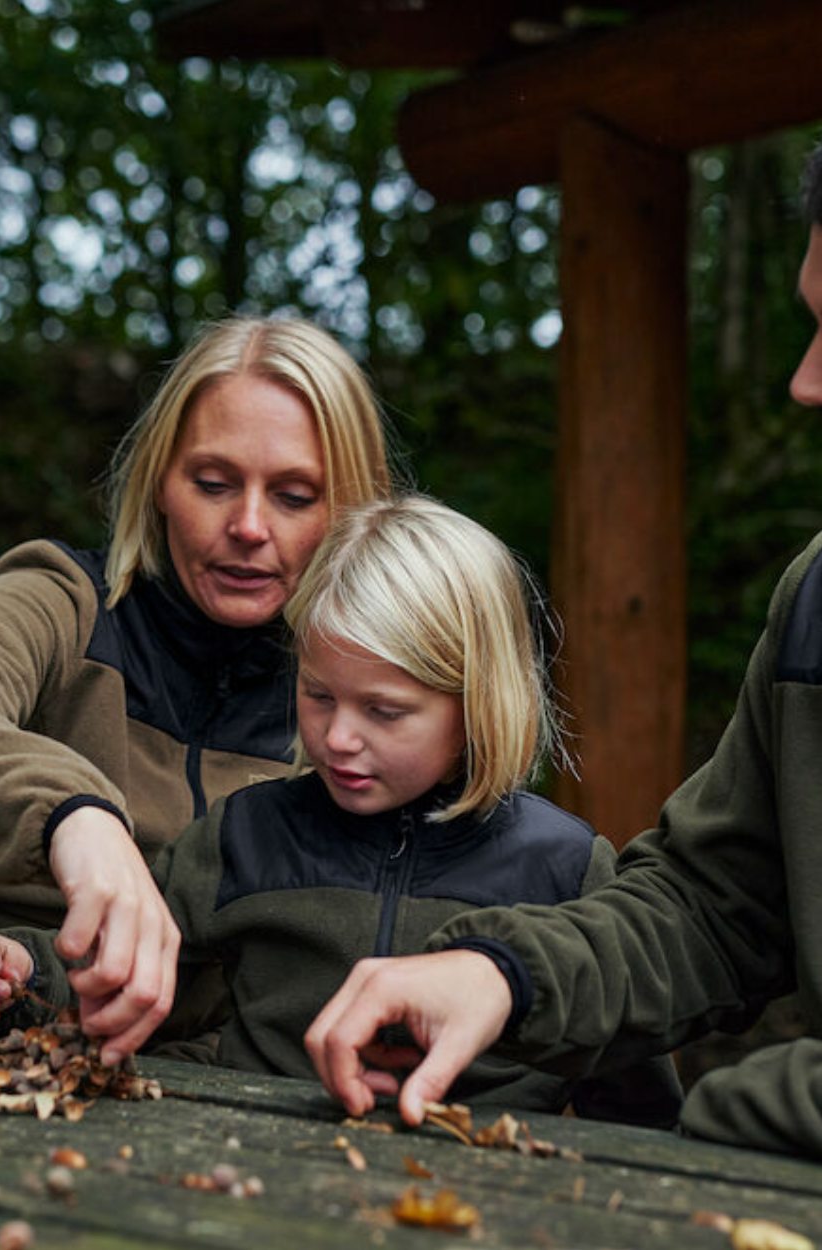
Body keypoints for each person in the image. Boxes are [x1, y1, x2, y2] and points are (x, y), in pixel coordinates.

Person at [304, 141, 822, 1156]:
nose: (804, 384)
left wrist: (713, 1123)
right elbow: (711, 907)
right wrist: (503, 973)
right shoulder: (814, 602)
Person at [0, 495, 682, 1126]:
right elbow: (127, 965)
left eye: (386, 711)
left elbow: (633, 1080)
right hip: (251, 1159)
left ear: (478, 706)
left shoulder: (565, 865)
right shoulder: (246, 833)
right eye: (318, 694)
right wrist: (24, 973)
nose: (338, 737)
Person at [0, 314, 392, 1067]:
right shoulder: (59, 602)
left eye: (295, 497)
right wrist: (75, 819)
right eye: (213, 482)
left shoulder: (350, 707)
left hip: (195, 1098)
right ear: (160, 481)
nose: (248, 525)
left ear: (352, 514)